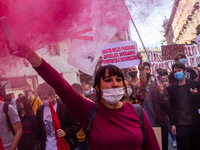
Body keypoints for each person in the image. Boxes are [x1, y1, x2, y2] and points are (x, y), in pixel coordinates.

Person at [13, 44, 160, 150]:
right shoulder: (88, 111)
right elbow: (60, 85)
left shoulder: (137, 111)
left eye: (119, 80)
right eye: (108, 80)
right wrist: (32, 57)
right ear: (97, 87)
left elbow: (152, 147)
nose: (115, 84)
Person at [36, 82, 81, 150]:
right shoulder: (40, 110)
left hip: (65, 146)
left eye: (45, 98)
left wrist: (65, 132)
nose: (43, 101)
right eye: (41, 98)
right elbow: (39, 130)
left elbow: (77, 125)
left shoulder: (65, 107)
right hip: (47, 147)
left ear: (53, 95)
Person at [167, 62, 200, 150]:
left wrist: (196, 94)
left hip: (195, 123)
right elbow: (171, 108)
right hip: (180, 125)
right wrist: (173, 124)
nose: (177, 73)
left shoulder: (194, 84)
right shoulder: (170, 89)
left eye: (179, 70)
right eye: (175, 71)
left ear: (185, 71)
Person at [138, 62, 170, 150]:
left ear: (150, 71)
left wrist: (163, 92)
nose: (145, 72)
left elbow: (166, 105)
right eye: (142, 69)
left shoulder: (158, 86)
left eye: (147, 69)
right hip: (145, 126)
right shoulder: (139, 89)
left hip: (160, 123)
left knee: (163, 147)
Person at [71, 83, 93, 150]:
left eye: (73, 95)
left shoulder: (90, 104)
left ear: (79, 93)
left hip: (89, 139)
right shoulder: (75, 106)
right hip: (79, 139)